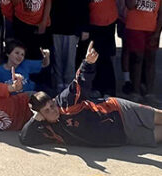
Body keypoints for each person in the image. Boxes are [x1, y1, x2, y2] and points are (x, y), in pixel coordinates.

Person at [20, 42, 162, 147]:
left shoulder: (64, 102)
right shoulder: (48, 131)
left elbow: (79, 83)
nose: (53, 109)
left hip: (118, 111)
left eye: (51, 105)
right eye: (47, 110)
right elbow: (25, 138)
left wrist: (87, 63)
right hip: (120, 136)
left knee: (159, 117)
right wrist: (35, 118)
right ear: (41, 115)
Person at [79, 0, 121, 97]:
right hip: (92, 21)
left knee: (107, 57)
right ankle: (95, 87)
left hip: (109, 20)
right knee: (93, 56)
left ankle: (109, 90)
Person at [120, 0, 162, 104]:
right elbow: (130, 6)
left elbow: (161, 12)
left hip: (151, 28)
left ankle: (150, 91)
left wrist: (157, 32)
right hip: (134, 27)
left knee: (151, 59)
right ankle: (136, 90)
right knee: (137, 59)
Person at [48, 0, 89, 91]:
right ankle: (59, 82)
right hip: (55, 23)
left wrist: (84, 27)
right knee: (57, 56)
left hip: (72, 24)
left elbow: (84, 4)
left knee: (70, 58)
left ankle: (69, 84)